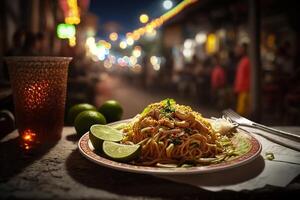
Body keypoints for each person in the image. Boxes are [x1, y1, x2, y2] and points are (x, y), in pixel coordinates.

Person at [234, 43, 250, 116]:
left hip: (245, 90)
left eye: (239, 48)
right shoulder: (243, 61)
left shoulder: (247, 61)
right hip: (241, 89)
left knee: (243, 113)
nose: (236, 50)